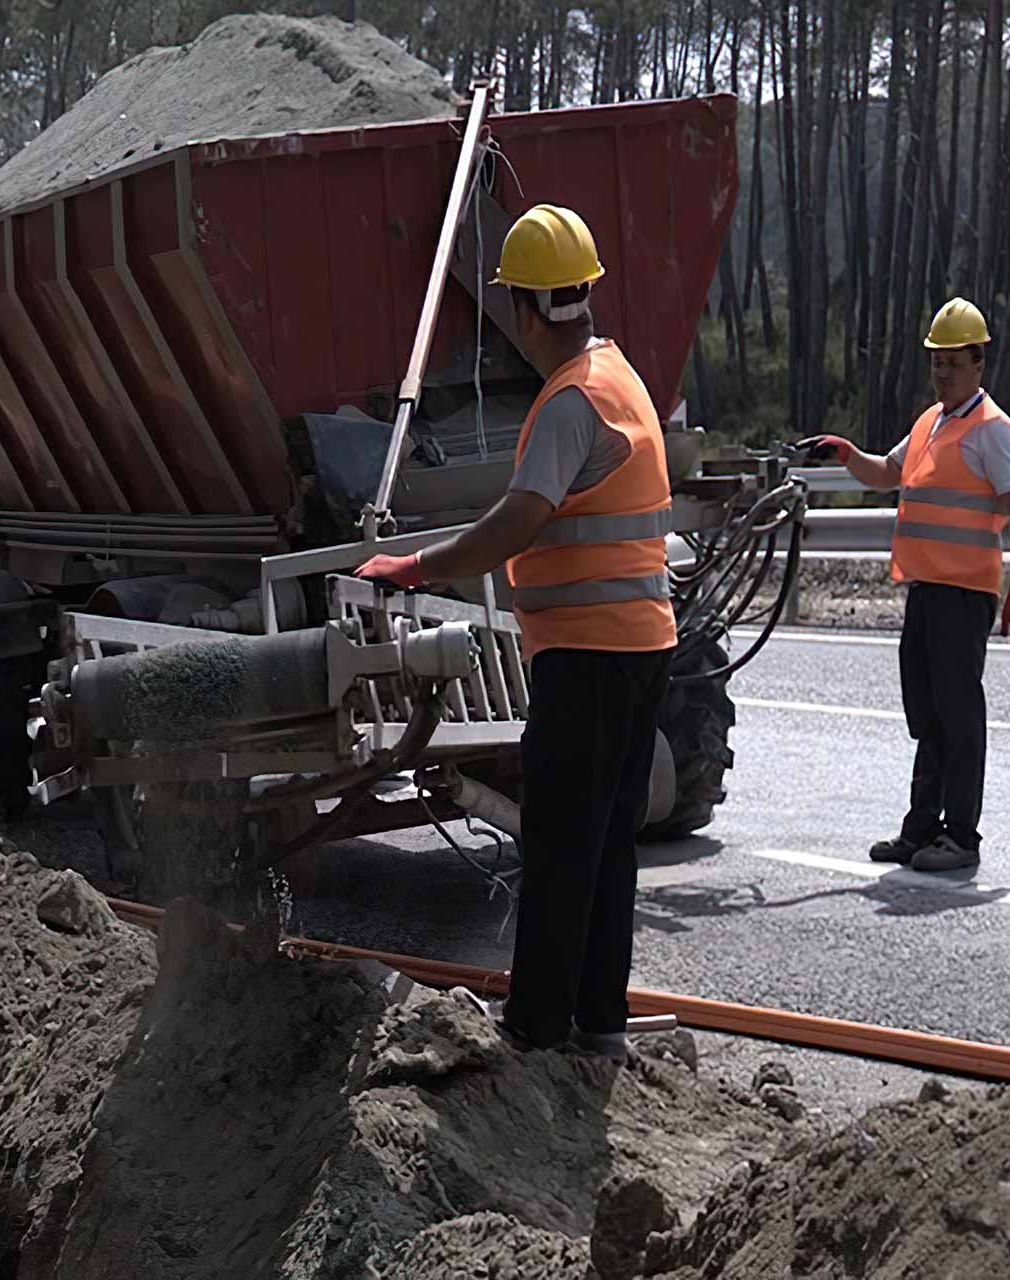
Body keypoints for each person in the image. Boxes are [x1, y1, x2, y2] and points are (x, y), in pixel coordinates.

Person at [356, 203, 675, 1057]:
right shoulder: (620, 376)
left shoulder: (570, 403)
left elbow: (519, 520)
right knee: (608, 846)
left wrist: (412, 566)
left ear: (526, 311)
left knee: (561, 845)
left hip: (589, 654)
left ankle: (535, 1030)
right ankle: (599, 1025)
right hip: (642, 647)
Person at [797, 297, 1010, 873]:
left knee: (958, 713)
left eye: (955, 362)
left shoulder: (992, 430)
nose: (944, 373)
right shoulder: (931, 422)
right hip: (926, 589)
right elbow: (887, 473)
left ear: (979, 364)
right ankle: (921, 829)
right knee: (927, 713)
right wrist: (848, 454)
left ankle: (962, 837)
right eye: (937, 362)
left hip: (965, 594)